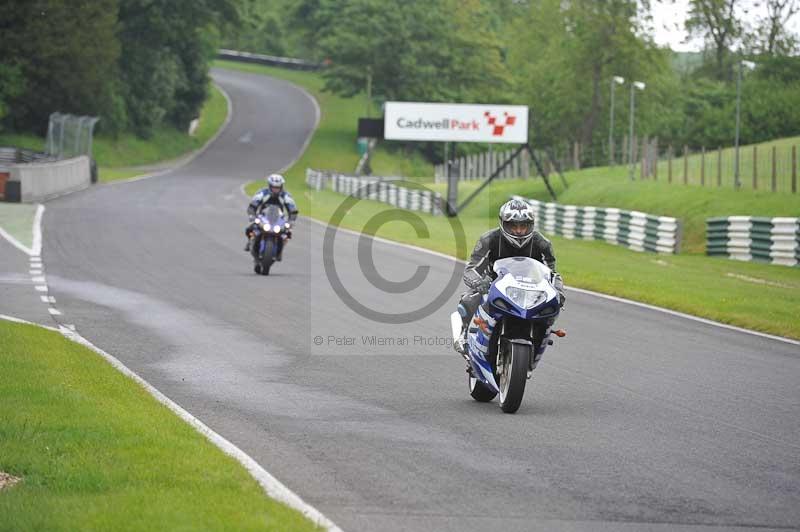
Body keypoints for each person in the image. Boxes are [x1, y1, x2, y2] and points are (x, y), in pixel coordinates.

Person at [454, 198, 565, 356]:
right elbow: (472, 268)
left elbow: (552, 273)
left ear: (531, 224)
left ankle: (541, 338)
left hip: (531, 289)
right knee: (468, 298)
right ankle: (464, 336)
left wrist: (559, 291)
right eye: (514, 226)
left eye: (523, 225)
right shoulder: (489, 239)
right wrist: (479, 283)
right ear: (503, 223)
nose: (519, 231)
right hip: (493, 285)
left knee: (552, 305)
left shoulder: (542, 244)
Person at [244, 173, 298, 260]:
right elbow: (252, 206)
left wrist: (291, 220)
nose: (276, 189)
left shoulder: (286, 196)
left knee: (288, 233)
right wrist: (252, 215)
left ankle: (280, 251)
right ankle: (250, 242)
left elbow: (293, 210)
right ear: (269, 186)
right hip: (263, 217)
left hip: (278, 220)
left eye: (278, 187)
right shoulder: (262, 193)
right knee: (249, 229)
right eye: (274, 187)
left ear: (281, 187)